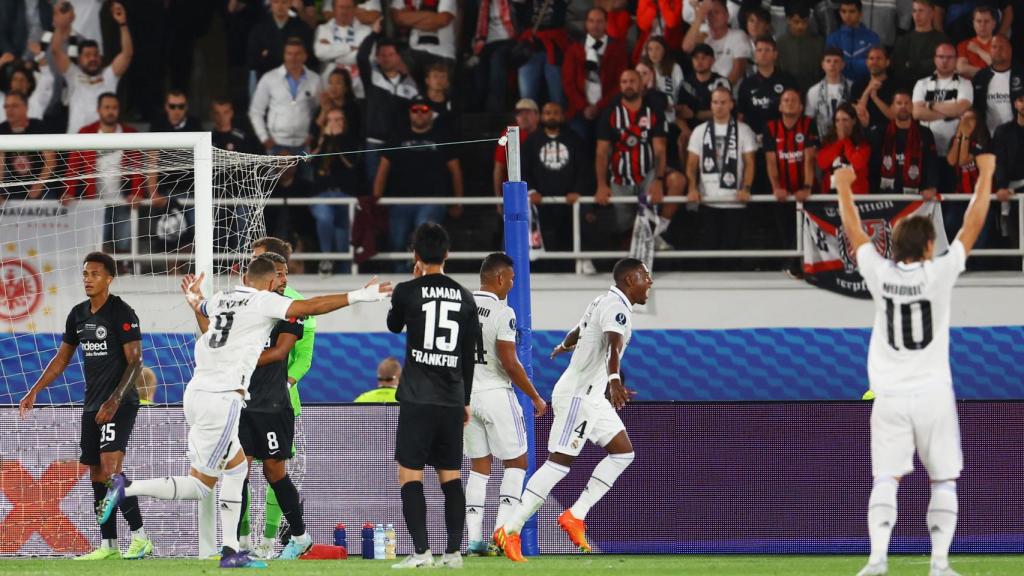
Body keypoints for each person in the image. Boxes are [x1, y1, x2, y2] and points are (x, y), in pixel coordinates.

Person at [97, 257, 390, 569]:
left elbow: (202, 308)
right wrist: (358, 296)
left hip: (198, 393)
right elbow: (311, 307)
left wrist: (194, 297)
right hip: (221, 399)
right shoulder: (263, 302)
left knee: (237, 469)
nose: (281, 286)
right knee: (200, 485)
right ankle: (126, 488)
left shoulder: (222, 299)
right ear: (265, 282)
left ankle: (231, 551)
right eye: (277, 279)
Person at [833, 151, 995, 576]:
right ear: (928, 247)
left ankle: (877, 560)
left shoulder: (880, 274)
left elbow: (854, 232)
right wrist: (988, 175)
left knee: (886, 477)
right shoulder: (938, 273)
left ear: (894, 245)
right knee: (942, 479)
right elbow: (971, 226)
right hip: (933, 394)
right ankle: (939, 564)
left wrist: (844, 186)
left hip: (888, 395)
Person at [495, 258, 650, 562]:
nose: (650, 281)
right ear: (630, 280)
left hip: (593, 398)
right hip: (579, 396)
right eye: (646, 276)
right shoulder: (616, 309)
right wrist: (615, 379)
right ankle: (509, 529)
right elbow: (613, 345)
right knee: (559, 464)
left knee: (623, 452)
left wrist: (564, 346)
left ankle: (575, 515)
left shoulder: (602, 300)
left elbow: (580, 329)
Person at [18, 252, 152, 560]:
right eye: (85, 274)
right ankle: (108, 545)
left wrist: (115, 399)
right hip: (92, 403)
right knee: (95, 472)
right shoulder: (78, 314)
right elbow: (62, 358)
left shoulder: (122, 312)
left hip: (120, 402)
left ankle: (140, 537)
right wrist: (35, 390)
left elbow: (136, 362)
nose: (88, 279)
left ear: (108, 279)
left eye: (94, 274)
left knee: (111, 469)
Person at [386, 223, 479, 569]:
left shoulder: (407, 291)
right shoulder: (466, 297)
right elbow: (468, 356)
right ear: (447, 255)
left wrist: (412, 282)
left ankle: (422, 552)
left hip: (417, 397)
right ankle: (454, 553)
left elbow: (394, 325)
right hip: (452, 398)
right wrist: (466, 399)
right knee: (451, 476)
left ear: (416, 254)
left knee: (410, 476)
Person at [463, 253, 547, 556]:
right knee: (517, 463)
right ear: (499, 278)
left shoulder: (462, 304)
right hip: (496, 392)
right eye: (511, 278)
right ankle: (501, 533)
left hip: (466, 397)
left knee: (478, 467)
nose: (512, 284)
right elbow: (510, 362)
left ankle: (473, 539)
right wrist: (535, 396)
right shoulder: (503, 311)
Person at [246, 237, 318, 557]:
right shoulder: (245, 302)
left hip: (280, 400)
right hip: (245, 398)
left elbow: (301, 358)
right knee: (239, 469)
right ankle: (243, 541)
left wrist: (284, 385)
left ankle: (269, 539)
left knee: (275, 470)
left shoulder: (296, 307)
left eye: (260, 262)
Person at [374, 97, 464, 269]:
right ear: (409, 113)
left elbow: (456, 171)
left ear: (431, 113)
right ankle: (399, 280)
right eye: (415, 110)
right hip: (400, 202)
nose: (419, 114)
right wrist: (376, 200)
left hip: (433, 199)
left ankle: (424, 275)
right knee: (397, 239)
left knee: (424, 231)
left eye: (423, 110)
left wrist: (458, 202)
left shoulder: (442, 136)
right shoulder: (397, 137)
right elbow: (382, 169)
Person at [64, 93, 155, 258]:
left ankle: (124, 275)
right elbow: (73, 167)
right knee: (97, 245)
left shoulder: (130, 133)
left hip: (122, 201)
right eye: (107, 107)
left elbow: (137, 169)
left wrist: (137, 193)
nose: (111, 111)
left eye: (114, 108)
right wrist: (69, 191)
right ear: (98, 110)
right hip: (94, 203)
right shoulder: (85, 133)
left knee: (124, 243)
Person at [595, 69, 672, 248]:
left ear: (641, 84)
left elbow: (660, 149)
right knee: (624, 226)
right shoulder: (610, 113)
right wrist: (601, 184)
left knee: (649, 215)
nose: (628, 85)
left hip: (647, 174)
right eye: (624, 81)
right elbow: (601, 152)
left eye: (632, 81)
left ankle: (655, 239)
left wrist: (659, 179)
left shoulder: (653, 113)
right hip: (619, 178)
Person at [686, 86, 758, 263]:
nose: (719, 106)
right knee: (709, 254)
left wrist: (746, 188)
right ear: (710, 105)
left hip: (735, 201)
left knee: (732, 255)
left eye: (723, 102)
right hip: (708, 201)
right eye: (715, 102)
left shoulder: (744, 130)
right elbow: (691, 164)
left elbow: (750, 163)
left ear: (731, 104)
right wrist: (692, 187)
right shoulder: (700, 131)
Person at [522, 102, 590, 261]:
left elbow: (584, 168)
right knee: (545, 239)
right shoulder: (531, 142)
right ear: (541, 116)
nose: (551, 116)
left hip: (569, 202)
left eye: (555, 112)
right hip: (540, 202)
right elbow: (524, 169)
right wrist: (531, 191)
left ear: (562, 116)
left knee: (570, 237)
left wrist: (577, 190)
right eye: (547, 112)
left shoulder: (575, 139)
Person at [50, 1, 132, 134]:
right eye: (87, 55)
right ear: (79, 59)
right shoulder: (73, 75)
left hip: (105, 143)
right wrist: (60, 25)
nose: (92, 59)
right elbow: (56, 51)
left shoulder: (109, 75)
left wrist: (122, 24)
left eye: (95, 55)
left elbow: (127, 54)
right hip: (77, 144)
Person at [357, 22, 419, 185]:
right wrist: (373, 34)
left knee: (398, 185)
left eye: (391, 54)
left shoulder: (411, 84)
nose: (386, 58)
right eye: (382, 55)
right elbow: (361, 57)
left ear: (398, 57)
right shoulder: (372, 77)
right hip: (374, 142)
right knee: (373, 186)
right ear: (377, 58)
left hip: (398, 143)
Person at [764, 88, 817, 271]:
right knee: (785, 233)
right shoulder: (771, 127)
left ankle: (802, 267)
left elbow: (809, 158)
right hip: (783, 193)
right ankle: (788, 266)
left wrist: (807, 187)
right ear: (779, 106)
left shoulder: (809, 124)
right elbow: (771, 161)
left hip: (805, 192)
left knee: (805, 232)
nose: (789, 103)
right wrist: (777, 187)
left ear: (801, 106)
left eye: (794, 100)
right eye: (785, 100)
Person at [912, 43, 973, 193]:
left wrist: (930, 105)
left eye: (949, 57)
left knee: (952, 199)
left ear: (956, 59)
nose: (945, 61)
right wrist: (950, 112)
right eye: (941, 57)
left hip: (954, 153)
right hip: (927, 153)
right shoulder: (922, 84)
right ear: (935, 59)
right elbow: (917, 113)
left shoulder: (965, 83)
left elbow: (961, 107)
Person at [562, 7, 629, 144]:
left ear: (606, 23)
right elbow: (568, 82)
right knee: (578, 139)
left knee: (606, 139)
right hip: (579, 109)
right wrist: (583, 106)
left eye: (599, 21)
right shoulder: (574, 49)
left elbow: (621, 83)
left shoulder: (617, 48)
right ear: (586, 23)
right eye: (591, 21)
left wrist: (600, 106)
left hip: (608, 107)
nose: (595, 25)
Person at [310, 107, 362, 276]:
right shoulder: (319, 141)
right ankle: (326, 257)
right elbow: (312, 163)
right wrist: (324, 140)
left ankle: (346, 277)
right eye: (331, 120)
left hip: (345, 194)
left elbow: (351, 163)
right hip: (323, 194)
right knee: (324, 217)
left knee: (343, 242)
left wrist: (338, 140)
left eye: (339, 119)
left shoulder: (352, 140)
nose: (335, 123)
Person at [249, 37, 322, 156]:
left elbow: (318, 110)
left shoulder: (315, 79)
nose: (293, 58)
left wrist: (312, 136)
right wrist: (264, 139)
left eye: (298, 54)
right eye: (289, 54)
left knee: (305, 175)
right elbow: (256, 111)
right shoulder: (269, 78)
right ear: (284, 55)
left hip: (304, 144)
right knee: (274, 176)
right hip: (276, 144)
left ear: (305, 56)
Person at [869, 90, 940, 198]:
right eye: (899, 103)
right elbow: (873, 164)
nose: (903, 106)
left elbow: (932, 163)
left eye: (907, 103)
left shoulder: (925, 133)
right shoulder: (880, 132)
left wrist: (932, 187)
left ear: (912, 107)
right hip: (884, 194)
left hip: (916, 195)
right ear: (892, 107)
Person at [0, 92, 55, 200]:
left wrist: (38, 185)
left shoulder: (39, 127)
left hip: (43, 184)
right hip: (14, 187)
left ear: (26, 107)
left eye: (14, 106)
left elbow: (51, 161)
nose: (9, 110)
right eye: (6, 106)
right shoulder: (2, 129)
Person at [683, 0, 751, 87]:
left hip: (728, 94)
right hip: (706, 92)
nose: (713, 16)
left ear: (727, 15)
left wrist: (718, 93)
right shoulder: (704, 37)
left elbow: (737, 73)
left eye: (717, 12)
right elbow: (687, 48)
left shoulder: (738, 35)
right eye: (709, 13)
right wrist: (699, 18)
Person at [314, 0, 372, 98]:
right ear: (334, 9)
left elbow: (366, 57)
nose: (344, 11)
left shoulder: (366, 31)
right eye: (341, 7)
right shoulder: (323, 29)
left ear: (355, 9)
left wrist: (332, 56)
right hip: (329, 89)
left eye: (348, 8)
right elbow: (320, 53)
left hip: (358, 91)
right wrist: (350, 48)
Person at [247, 0, 314, 85]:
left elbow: (309, 57)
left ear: (290, 4)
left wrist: (269, 54)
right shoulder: (259, 29)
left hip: (296, 81)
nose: (280, 6)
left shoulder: (301, 28)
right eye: (276, 2)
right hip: (267, 82)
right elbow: (252, 61)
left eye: (284, 2)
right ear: (271, 4)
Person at [389, 0, 457, 82]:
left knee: (437, 93)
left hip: (441, 54)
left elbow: (442, 19)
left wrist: (408, 18)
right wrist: (431, 18)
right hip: (412, 53)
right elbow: (397, 17)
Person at [469, 0, 516, 113]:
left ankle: (495, 111)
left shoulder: (510, 2)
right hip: (484, 42)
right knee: (479, 76)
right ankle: (479, 112)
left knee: (497, 66)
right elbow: (470, 22)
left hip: (507, 40)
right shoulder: (480, 3)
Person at [892, 0, 948, 91]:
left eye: (921, 11)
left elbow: (941, 65)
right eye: (914, 11)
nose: (917, 15)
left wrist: (911, 64)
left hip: (935, 89)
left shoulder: (942, 40)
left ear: (932, 13)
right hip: (908, 90)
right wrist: (926, 63)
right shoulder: (904, 40)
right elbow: (899, 69)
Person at [817, 102, 871, 195]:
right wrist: (839, 142)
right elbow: (822, 163)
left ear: (853, 121)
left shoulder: (863, 143)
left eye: (845, 120)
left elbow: (858, 163)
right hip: (831, 197)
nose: (841, 124)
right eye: (837, 120)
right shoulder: (828, 142)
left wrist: (845, 141)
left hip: (856, 197)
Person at [971, 35, 1019, 138]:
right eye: (994, 47)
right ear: (989, 51)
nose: (998, 50)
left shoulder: (1021, 75)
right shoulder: (980, 77)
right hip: (988, 138)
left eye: (1002, 47)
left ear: (1010, 50)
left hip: (1018, 138)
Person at [493, 99, 539, 201]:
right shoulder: (509, 133)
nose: (523, 117)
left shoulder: (545, 133)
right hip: (515, 195)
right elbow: (499, 168)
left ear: (537, 115)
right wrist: (498, 200)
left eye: (527, 112)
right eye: (519, 113)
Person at [776, 1, 825, 96]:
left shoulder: (819, 42)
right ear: (788, 20)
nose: (800, 26)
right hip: (787, 93)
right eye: (796, 22)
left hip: (814, 93)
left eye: (804, 22)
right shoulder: (780, 43)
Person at [825, 0, 878, 85]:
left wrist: (846, 63)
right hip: (839, 86)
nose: (847, 15)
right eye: (844, 11)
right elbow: (832, 66)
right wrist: (861, 62)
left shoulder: (872, 38)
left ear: (860, 13)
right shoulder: (833, 39)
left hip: (866, 85)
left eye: (852, 11)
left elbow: (874, 64)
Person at [806, 47, 853, 139]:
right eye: (828, 61)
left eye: (836, 61)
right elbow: (808, 119)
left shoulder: (852, 88)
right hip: (823, 140)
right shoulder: (814, 91)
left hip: (849, 140)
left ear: (842, 64)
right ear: (823, 65)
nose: (832, 65)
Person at [852, 47, 896, 131]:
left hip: (890, 132)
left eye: (879, 59)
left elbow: (894, 116)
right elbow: (857, 114)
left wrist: (875, 98)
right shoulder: (858, 84)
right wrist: (867, 91)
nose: (874, 62)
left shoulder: (896, 84)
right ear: (866, 62)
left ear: (887, 62)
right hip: (864, 133)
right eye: (871, 59)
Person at [955, 5, 997, 80]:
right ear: (973, 23)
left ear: (993, 24)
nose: (982, 25)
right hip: (969, 88)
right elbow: (961, 69)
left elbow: (997, 67)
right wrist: (990, 73)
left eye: (986, 21)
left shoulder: (1001, 44)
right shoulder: (964, 45)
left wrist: (978, 50)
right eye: (978, 21)